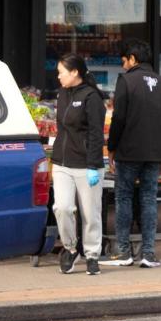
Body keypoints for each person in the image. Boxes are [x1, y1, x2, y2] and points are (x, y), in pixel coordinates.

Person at [104, 38, 161, 268]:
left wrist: (112, 147)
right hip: (156, 152)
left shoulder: (126, 81)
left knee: (124, 197)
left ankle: (124, 252)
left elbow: (119, 118)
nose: (123, 65)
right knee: (149, 198)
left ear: (132, 59)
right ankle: (149, 253)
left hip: (129, 151)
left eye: (124, 61)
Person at [51, 53, 105, 276]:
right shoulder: (62, 93)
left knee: (90, 213)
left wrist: (93, 165)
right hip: (62, 164)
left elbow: (96, 134)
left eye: (61, 72)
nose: (58, 77)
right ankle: (70, 248)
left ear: (75, 72)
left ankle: (92, 255)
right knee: (62, 208)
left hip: (86, 165)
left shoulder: (92, 97)